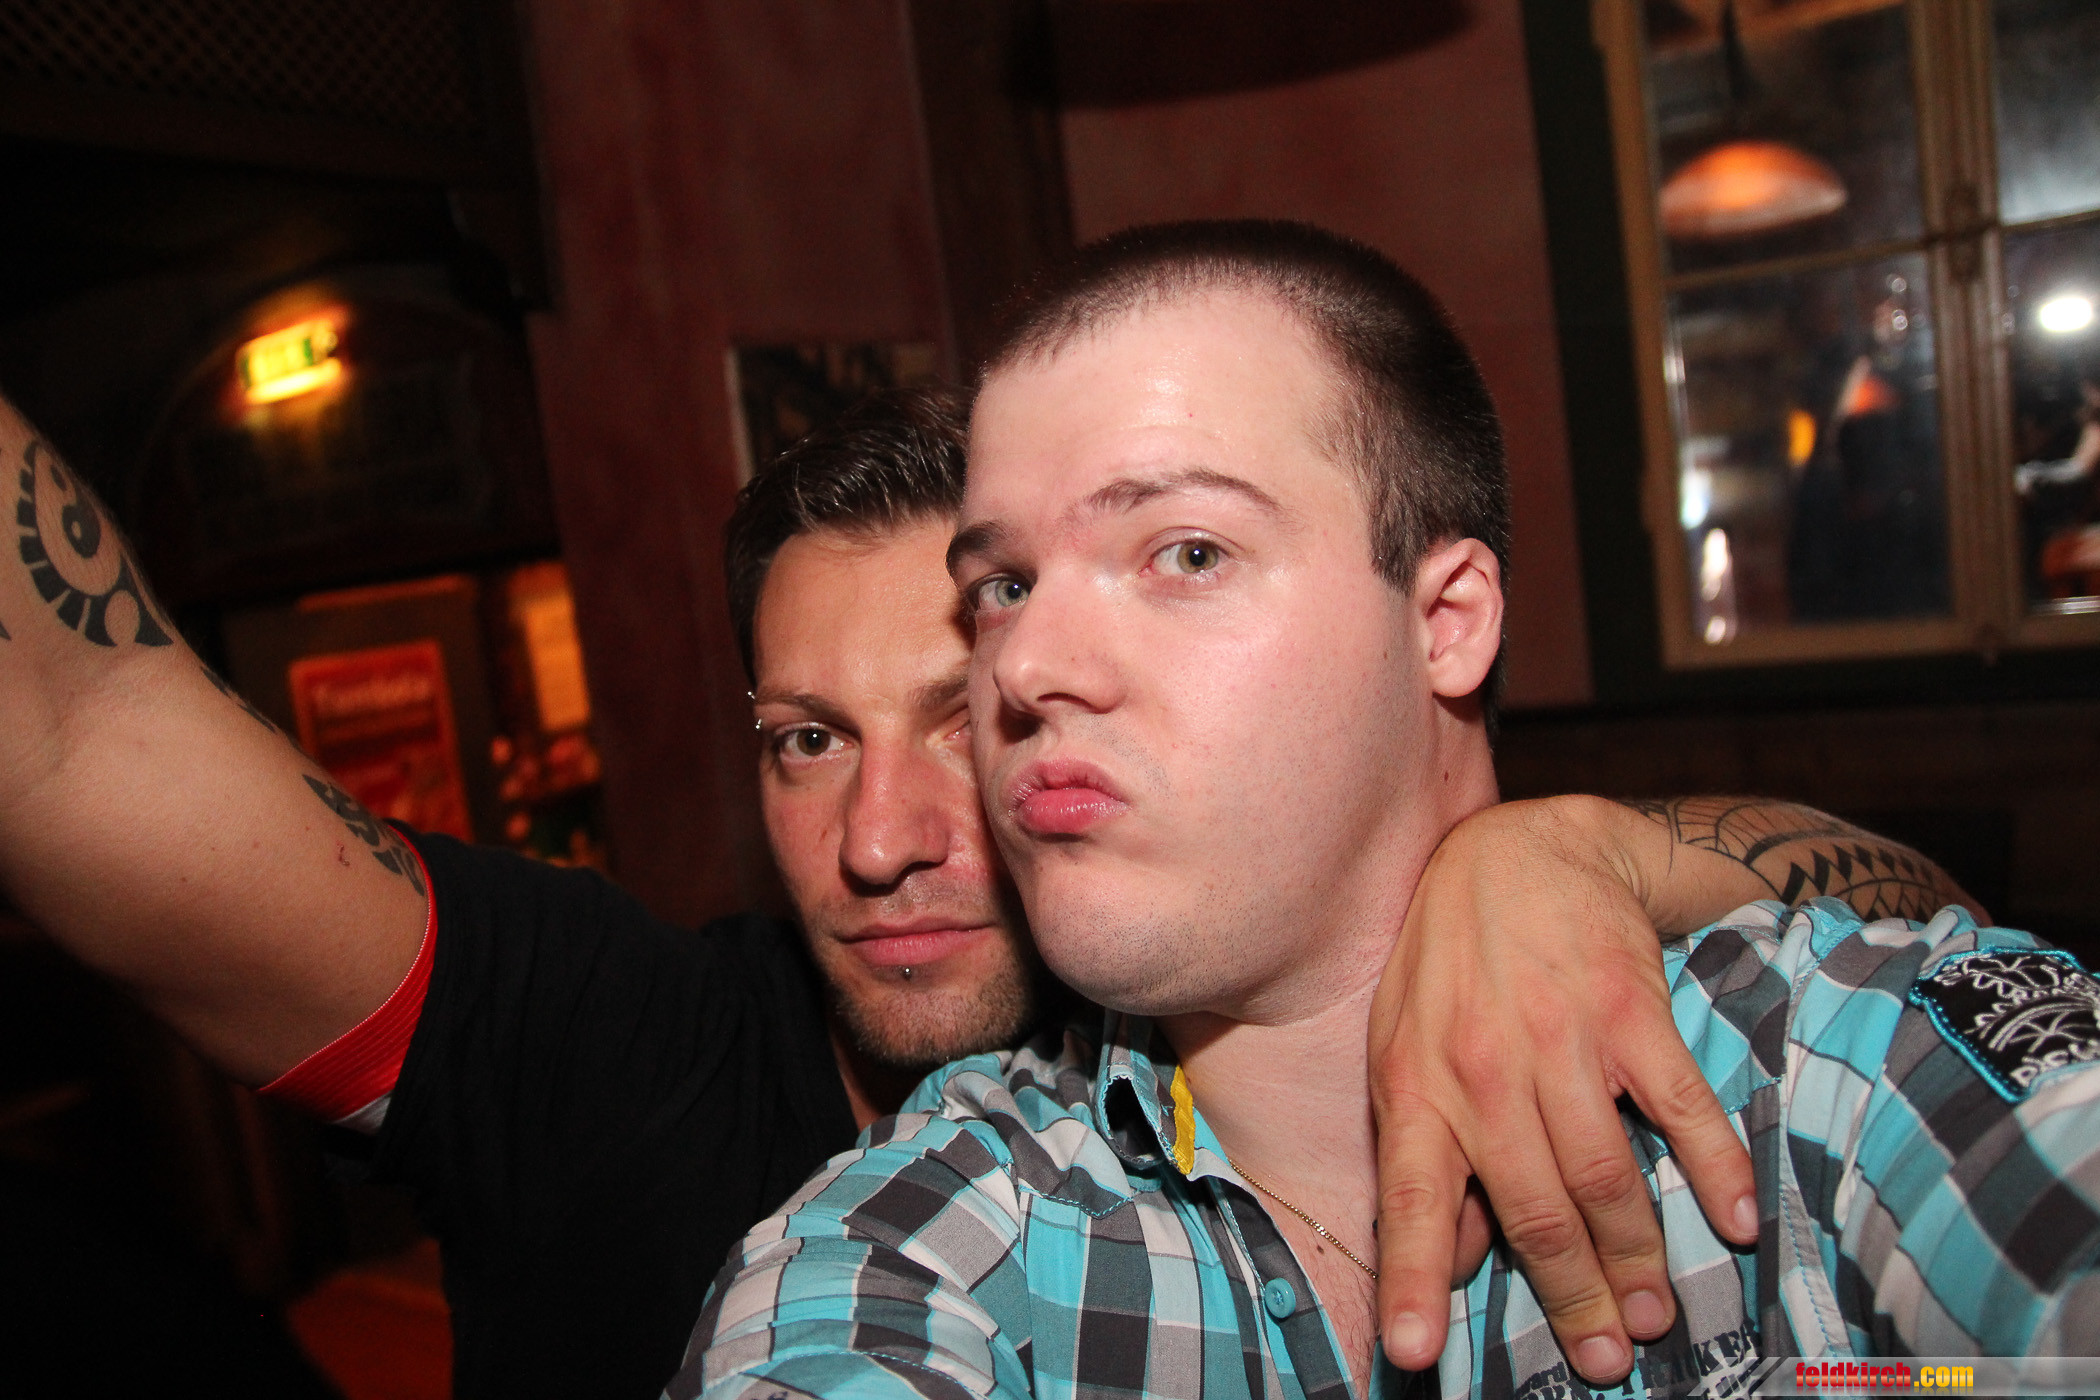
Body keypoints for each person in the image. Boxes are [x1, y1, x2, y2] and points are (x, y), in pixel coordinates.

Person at [0, 374, 1959, 1397]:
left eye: (970, 720)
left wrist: (1583, 848)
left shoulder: (1276, 1042)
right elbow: (78, 732)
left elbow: (1928, 925)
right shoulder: (596, 1046)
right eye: (805, 738)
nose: (879, 838)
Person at [675, 220, 2093, 1400]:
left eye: (1184, 552)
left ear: (1447, 620)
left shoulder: (1827, 1080)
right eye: (1004, 586)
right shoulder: (919, 1243)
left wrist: (1593, 846)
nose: (1027, 662)